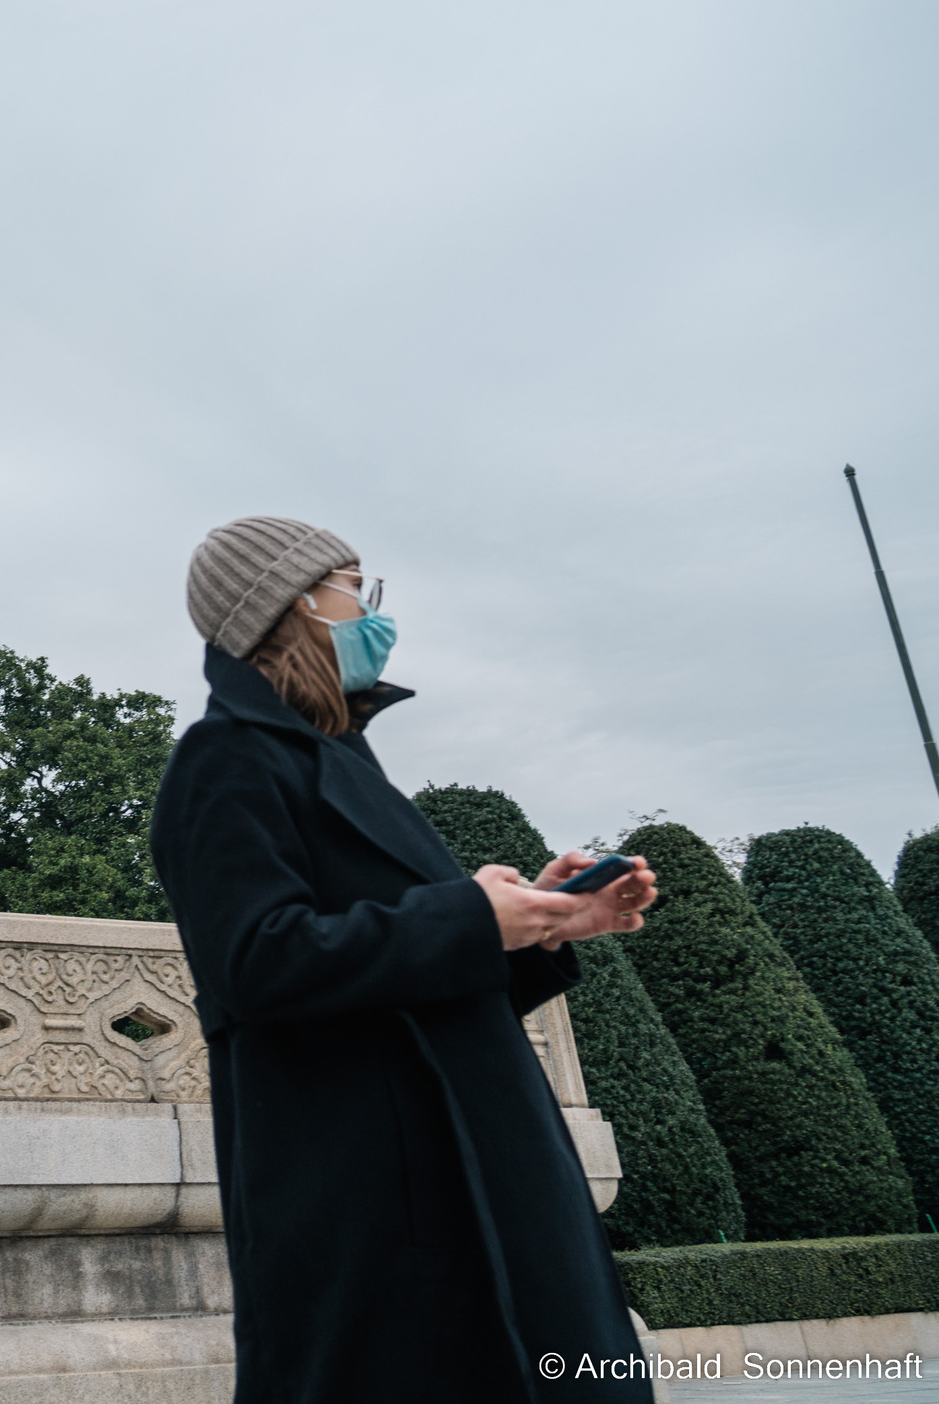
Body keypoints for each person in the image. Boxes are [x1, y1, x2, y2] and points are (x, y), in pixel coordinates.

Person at [150, 516, 660, 1403]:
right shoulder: (224, 761)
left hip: (475, 1164)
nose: (369, 608)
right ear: (290, 605)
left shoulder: (344, 759)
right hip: (380, 1195)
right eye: (354, 585)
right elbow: (255, 961)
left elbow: (418, 969)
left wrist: (541, 926)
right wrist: (469, 915)